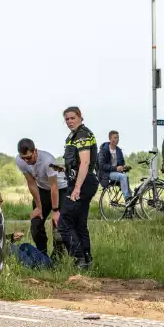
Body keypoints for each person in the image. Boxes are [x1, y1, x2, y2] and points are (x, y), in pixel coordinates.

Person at [15, 138, 67, 259]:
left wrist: (55, 210)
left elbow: (54, 186)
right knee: (36, 223)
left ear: (35, 151)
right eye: (24, 158)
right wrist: (39, 207)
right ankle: (42, 256)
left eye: (29, 157)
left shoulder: (48, 160)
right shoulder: (20, 160)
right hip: (42, 189)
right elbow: (31, 183)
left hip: (61, 189)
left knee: (58, 225)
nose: (26, 161)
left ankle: (57, 258)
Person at [61, 106, 98, 270]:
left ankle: (79, 259)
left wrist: (77, 188)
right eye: (67, 119)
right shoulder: (75, 135)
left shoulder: (82, 135)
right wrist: (65, 169)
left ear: (80, 117)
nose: (69, 121)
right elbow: (77, 162)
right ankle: (87, 260)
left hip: (82, 183)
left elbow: (85, 162)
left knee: (64, 223)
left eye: (72, 118)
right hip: (84, 181)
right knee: (79, 224)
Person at [99, 130, 132, 201]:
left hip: (116, 172)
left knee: (127, 181)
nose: (117, 140)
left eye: (118, 138)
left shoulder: (119, 150)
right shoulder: (104, 150)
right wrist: (116, 168)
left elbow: (121, 163)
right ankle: (127, 199)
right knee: (123, 176)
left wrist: (123, 167)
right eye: (115, 138)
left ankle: (130, 204)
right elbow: (102, 165)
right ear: (110, 139)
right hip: (106, 173)